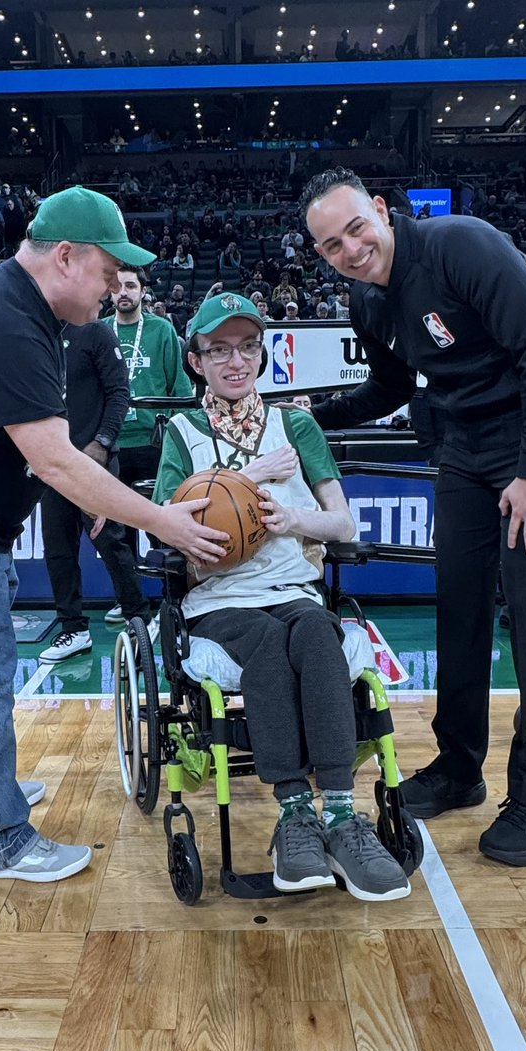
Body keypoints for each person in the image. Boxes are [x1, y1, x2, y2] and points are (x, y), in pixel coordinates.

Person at [0, 186, 228, 885]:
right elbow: (55, 458)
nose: (115, 289)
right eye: (108, 274)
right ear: (65, 257)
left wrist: (101, 496)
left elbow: (48, 459)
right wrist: (158, 519)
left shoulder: (20, 306)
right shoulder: (6, 320)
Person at [301, 166, 526, 867]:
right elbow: (388, 388)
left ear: (380, 209)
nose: (351, 249)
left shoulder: (464, 246)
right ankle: (459, 769)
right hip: (464, 450)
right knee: (457, 605)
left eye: (356, 228)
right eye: (332, 245)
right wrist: (309, 415)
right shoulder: (365, 300)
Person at [154, 292, 409, 902]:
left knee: (319, 633)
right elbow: (162, 524)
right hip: (219, 597)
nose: (234, 360)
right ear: (196, 360)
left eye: (246, 347)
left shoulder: (297, 425)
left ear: (262, 354)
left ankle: (343, 817)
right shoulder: (182, 433)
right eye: (219, 349)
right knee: (267, 647)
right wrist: (247, 482)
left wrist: (290, 519)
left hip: (291, 585)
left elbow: (341, 525)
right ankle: (295, 813)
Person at [38, 321, 152, 663]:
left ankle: (138, 619)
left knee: (110, 541)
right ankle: (74, 628)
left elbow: (119, 392)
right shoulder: (40, 333)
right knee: (58, 548)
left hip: (93, 459)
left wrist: (102, 443)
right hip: (53, 462)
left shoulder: (95, 332)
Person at [105, 265, 194, 620]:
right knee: (118, 531)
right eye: (116, 286)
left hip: (153, 443)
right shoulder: (98, 332)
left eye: (130, 285)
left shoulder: (162, 330)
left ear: (143, 291)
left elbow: (181, 390)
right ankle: (129, 601)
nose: (123, 292)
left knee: (163, 523)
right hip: (110, 444)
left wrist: (173, 438)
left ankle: (175, 597)